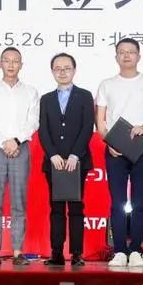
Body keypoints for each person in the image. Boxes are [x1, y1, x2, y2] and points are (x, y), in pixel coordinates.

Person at [95, 38, 143, 268]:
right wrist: (109, 142)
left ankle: (136, 249)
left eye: (131, 52)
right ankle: (119, 251)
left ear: (138, 56)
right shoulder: (107, 84)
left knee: (139, 201)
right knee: (117, 202)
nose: (126, 56)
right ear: (116, 57)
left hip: (141, 146)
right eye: (122, 52)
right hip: (115, 149)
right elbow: (100, 120)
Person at [0, 47, 39, 266]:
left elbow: (33, 121)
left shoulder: (31, 92)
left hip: (20, 149)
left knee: (18, 202)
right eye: (7, 60)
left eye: (15, 61)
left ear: (21, 65)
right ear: (0, 64)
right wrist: (3, 142)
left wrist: (16, 140)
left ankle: (17, 251)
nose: (11, 65)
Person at [38, 53, 94, 267]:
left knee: (77, 207)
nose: (62, 72)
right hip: (53, 163)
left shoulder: (85, 96)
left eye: (67, 68)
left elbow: (87, 127)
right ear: (52, 71)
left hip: (77, 161)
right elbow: (43, 130)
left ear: (74, 70)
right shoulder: (46, 99)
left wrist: (74, 155)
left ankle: (77, 253)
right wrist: (52, 154)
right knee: (57, 208)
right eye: (58, 68)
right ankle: (56, 253)